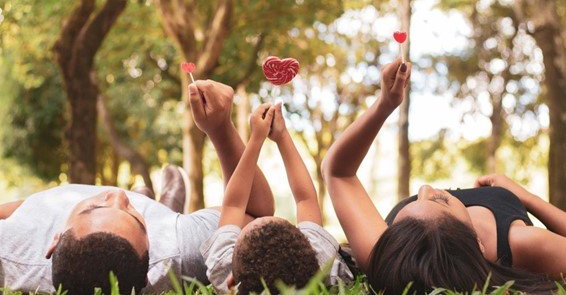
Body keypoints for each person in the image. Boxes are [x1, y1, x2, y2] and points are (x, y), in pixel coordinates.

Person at [0, 80, 275, 294]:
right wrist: (220, 129)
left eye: (95, 207)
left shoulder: (11, 248)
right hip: (170, 226)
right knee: (153, 207)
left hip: (32, 217)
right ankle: (162, 205)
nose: (117, 194)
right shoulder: (176, 252)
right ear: (148, 274)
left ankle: (148, 199)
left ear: (54, 240)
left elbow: (22, 210)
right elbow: (257, 213)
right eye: (135, 217)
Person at [322, 58, 566, 294]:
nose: (425, 188)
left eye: (397, 224)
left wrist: (385, 104)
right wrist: (527, 197)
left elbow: (338, 172)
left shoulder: (387, 257)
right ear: (477, 245)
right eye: (440, 200)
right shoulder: (523, 243)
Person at [200, 103, 353, 294]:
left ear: (231, 283)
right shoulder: (321, 262)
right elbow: (305, 199)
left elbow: (233, 204)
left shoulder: (226, 270)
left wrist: (256, 139)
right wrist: (282, 136)